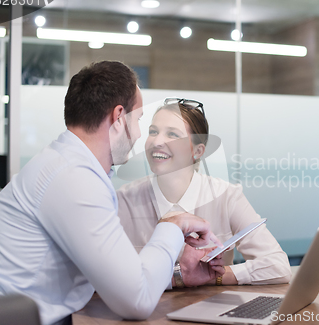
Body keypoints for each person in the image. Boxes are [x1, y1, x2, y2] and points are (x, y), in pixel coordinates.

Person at [0, 61, 224, 325]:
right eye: (140, 119)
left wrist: (178, 275)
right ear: (118, 117)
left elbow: (119, 277)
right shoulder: (74, 179)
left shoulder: (67, 165)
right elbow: (136, 302)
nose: (141, 134)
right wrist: (174, 224)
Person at [116, 98, 292, 287]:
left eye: (173, 134)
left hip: (213, 309)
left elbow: (278, 265)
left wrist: (217, 276)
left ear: (198, 151)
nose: (157, 141)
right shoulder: (123, 200)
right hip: (145, 313)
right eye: (153, 132)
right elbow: (105, 277)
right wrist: (180, 278)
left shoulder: (227, 196)